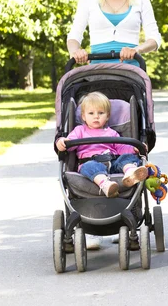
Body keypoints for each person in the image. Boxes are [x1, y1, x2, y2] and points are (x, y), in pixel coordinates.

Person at [55, 91, 148, 249]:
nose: (96, 116)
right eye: (91, 113)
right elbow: (68, 142)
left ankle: (130, 172)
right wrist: (62, 141)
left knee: (126, 158)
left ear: (108, 116)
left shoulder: (111, 133)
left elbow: (123, 148)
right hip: (90, 164)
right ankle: (105, 184)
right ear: (83, 116)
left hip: (112, 163)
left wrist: (136, 148)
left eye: (101, 113)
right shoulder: (80, 131)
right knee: (91, 167)